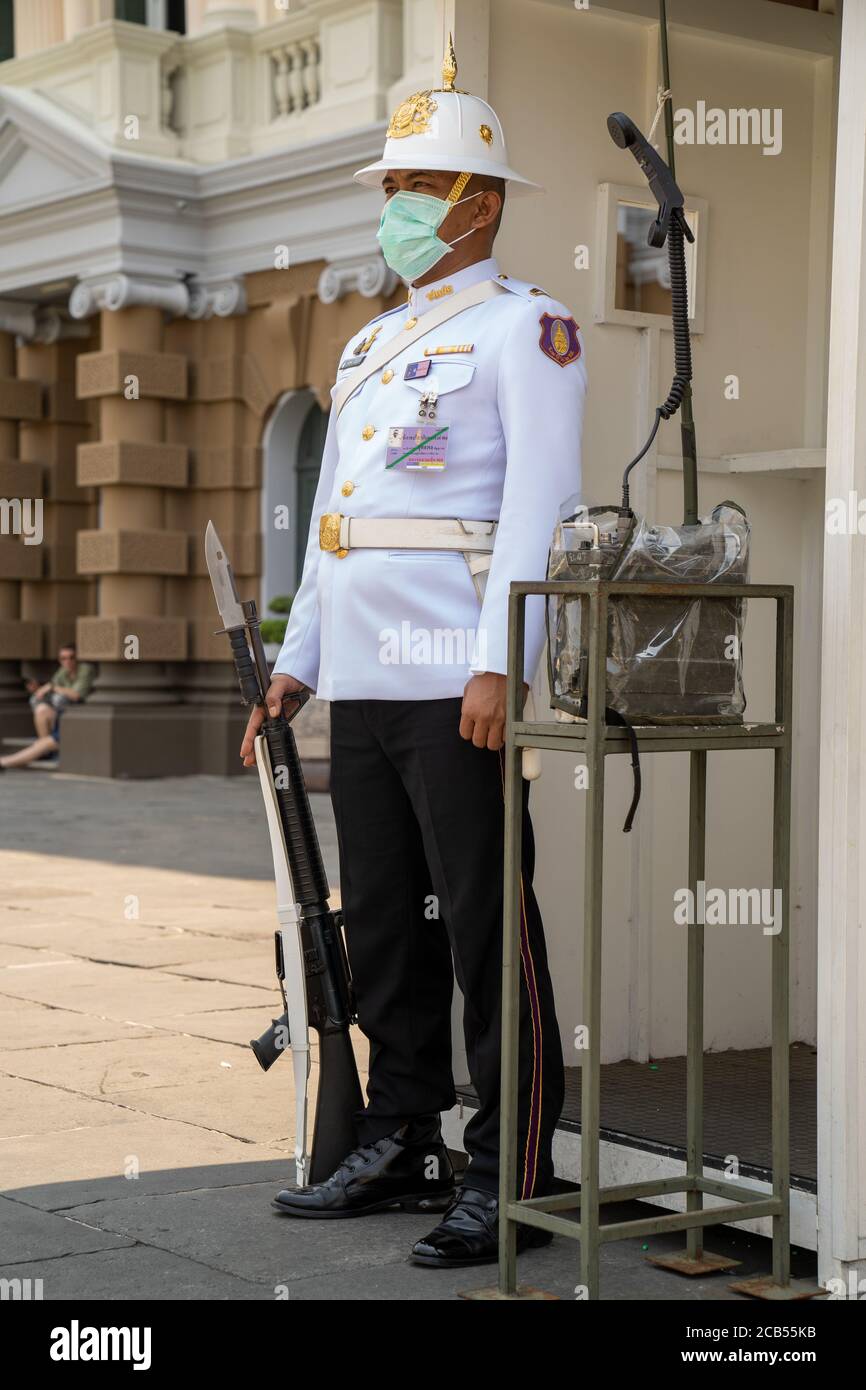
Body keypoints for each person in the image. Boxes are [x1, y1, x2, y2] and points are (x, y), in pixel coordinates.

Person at [240, 38, 587, 1269]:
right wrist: (299, 663)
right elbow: (336, 523)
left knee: (487, 925)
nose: (392, 208)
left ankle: (513, 1166)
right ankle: (404, 1139)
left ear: (478, 203)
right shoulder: (363, 347)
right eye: (388, 187)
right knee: (384, 919)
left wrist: (502, 659)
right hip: (370, 679)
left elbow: (542, 506)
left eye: (415, 188)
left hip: (457, 678)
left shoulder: (525, 328)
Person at [0, 644, 94, 771]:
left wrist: (52, 688)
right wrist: (39, 689)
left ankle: (4, 762)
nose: (68, 661)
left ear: (78, 658)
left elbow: (75, 695)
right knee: (41, 709)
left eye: (72, 657)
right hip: (60, 723)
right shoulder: (63, 671)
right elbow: (50, 688)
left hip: (78, 721)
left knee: (43, 745)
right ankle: (41, 751)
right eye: (64, 658)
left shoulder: (86, 669)